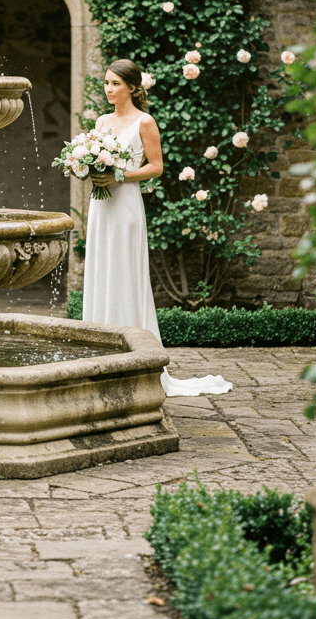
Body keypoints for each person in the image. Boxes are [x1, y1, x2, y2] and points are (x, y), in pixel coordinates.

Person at [81, 58, 232, 397]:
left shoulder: (145, 121)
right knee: (102, 267)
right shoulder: (102, 120)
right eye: (106, 83)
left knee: (124, 272)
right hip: (102, 206)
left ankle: (134, 355)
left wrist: (120, 174)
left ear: (133, 88)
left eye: (116, 84)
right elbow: (93, 157)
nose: (109, 89)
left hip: (126, 205)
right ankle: (97, 350)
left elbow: (157, 166)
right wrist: (88, 167)